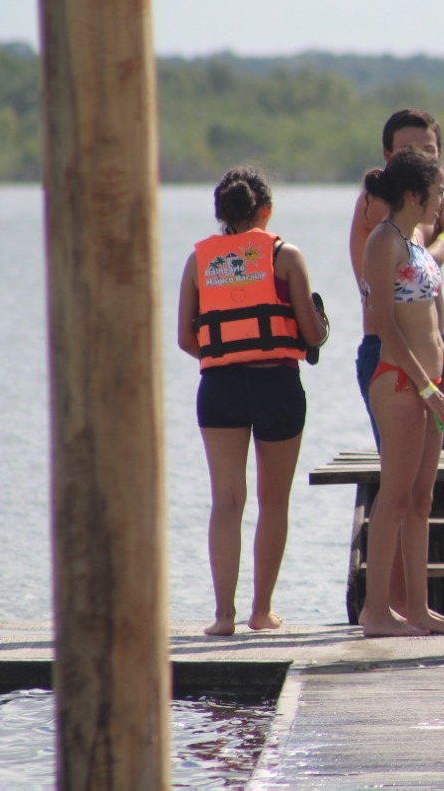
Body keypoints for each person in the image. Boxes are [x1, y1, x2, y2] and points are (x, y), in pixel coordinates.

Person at [177, 166, 330, 636]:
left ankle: (223, 617)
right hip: (276, 387)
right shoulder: (285, 256)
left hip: (219, 389)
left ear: (222, 215)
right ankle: (260, 612)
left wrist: (226, 356)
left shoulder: (198, 260)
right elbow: (310, 332)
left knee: (226, 501)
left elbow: (185, 338)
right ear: (265, 210)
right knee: (273, 501)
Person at [358, 148, 444, 637]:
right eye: (438, 190)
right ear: (413, 194)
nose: (442, 199)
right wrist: (424, 384)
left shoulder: (414, 241)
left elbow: (429, 314)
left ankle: (419, 609)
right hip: (399, 379)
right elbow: (384, 320)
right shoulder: (383, 241)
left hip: (431, 380)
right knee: (395, 497)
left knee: (422, 499)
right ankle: (376, 612)